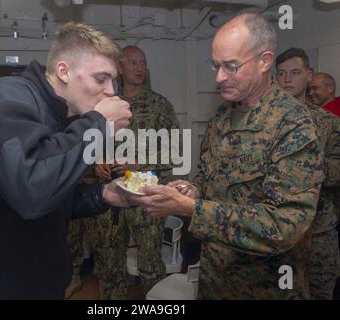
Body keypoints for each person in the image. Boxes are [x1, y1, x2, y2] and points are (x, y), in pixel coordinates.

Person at [132, 12, 324, 299]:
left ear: (264, 61)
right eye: (216, 66)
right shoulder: (223, 115)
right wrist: (191, 189)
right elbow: (211, 177)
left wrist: (190, 209)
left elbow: (284, 225)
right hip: (214, 276)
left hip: (264, 286)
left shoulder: (293, 123)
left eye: (231, 66)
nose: (220, 77)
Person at [0, 22, 133, 299]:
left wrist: (104, 195)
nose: (111, 91)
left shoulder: (59, 116)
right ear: (63, 71)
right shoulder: (6, 97)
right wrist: (100, 124)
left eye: (114, 81)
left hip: (35, 280)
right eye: (101, 79)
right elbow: (32, 192)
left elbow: (53, 197)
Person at [72, 45, 180, 299]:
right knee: (109, 266)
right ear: (119, 68)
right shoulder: (103, 106)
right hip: (106, 200)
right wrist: (95, 163)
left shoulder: (159, 106)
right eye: (132, 63)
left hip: (144, 196)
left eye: (143, 63)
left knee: (150, 265)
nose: (139, 68)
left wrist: (138, 164)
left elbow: (175, 151)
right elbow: (81, 145)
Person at [276, 47, 340, 299]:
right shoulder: (262, 122)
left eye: (295, 72)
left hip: (318, 230)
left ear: (309, 75)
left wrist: (313, 168)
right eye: (281, 74)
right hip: (278, 232)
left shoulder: (328, 122)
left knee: (320, 293)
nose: (287, 79)